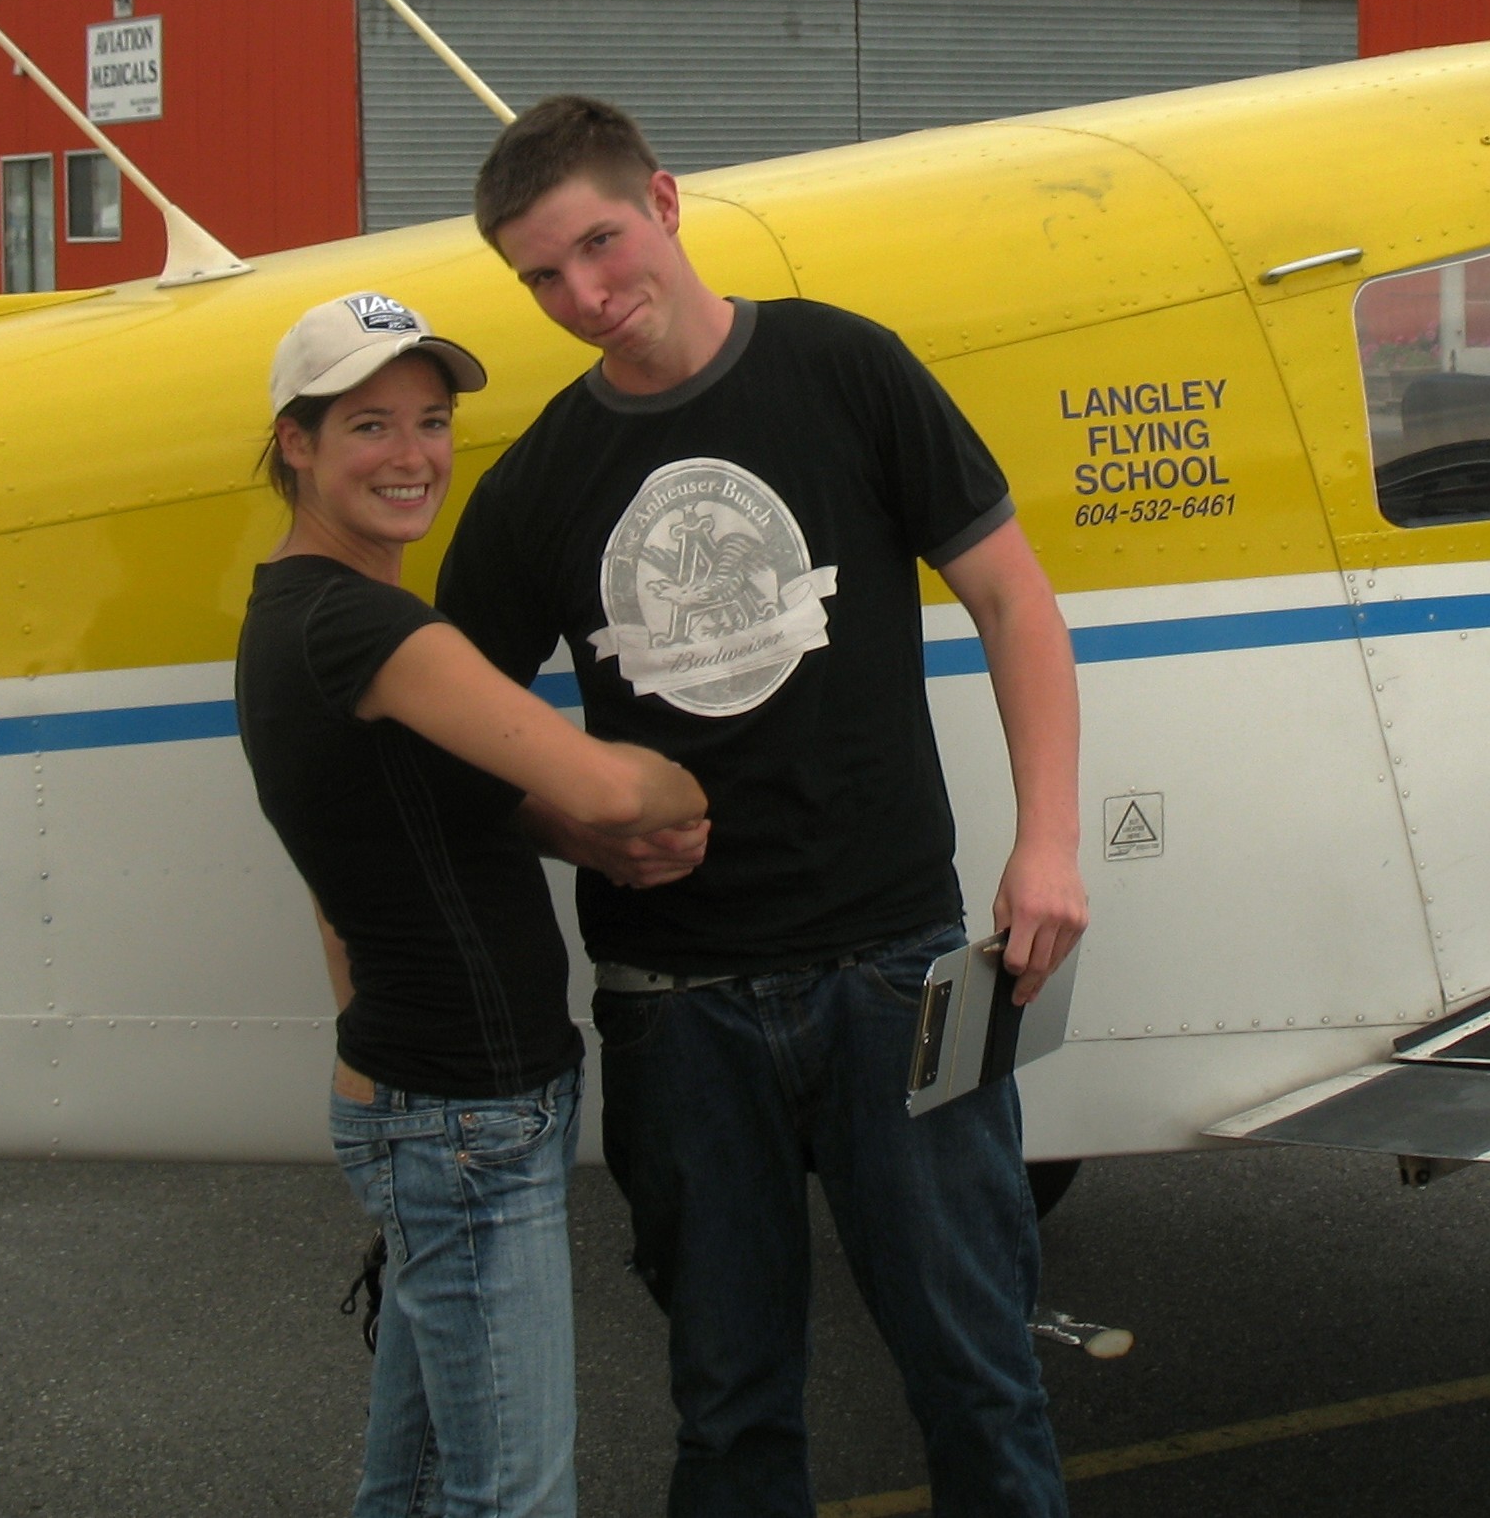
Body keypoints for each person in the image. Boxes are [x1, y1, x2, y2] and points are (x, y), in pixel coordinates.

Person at [437, 97, 1089, 1518]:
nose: (585, 298)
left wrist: (1047, 847)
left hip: (898, 968)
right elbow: (451, 742)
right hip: (676, 1006)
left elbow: (1012, 601)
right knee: (730, 1410)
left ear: (665, 203)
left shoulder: (843, 366)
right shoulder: (541, 476)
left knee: (977, 1373)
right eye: (541, 277)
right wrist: (575, 825)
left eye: (600, 245)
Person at [233, 290, 706, 1518]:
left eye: (431, 421)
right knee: (512, 1493)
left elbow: (404, 829)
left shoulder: (291, 612)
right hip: (461, 1114)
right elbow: (615, 792)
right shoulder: (368, 626)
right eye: (369, 427)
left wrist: (562, 828)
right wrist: (693, 764)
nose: (412, 456)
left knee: (420, 1478)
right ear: (297, 443)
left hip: (427, 1098)